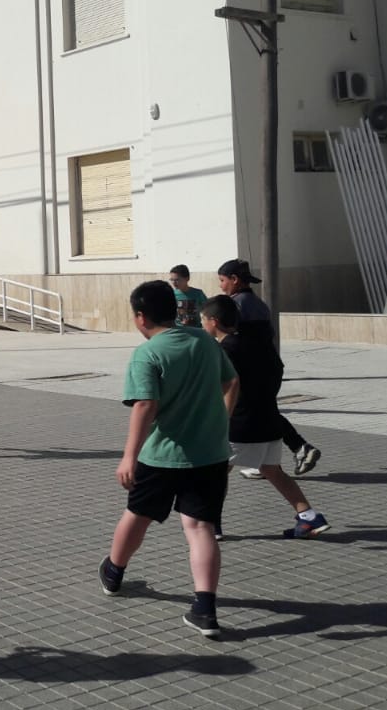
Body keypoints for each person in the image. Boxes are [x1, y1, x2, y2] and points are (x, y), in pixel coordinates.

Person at [99, 281, 238, 638]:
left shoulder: (147, 354)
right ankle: (205, 610)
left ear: (140, 316)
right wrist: (220, 422)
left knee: (138, 514)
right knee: (200, 528)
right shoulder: (204, 341)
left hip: (161, 455)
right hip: (209, 454)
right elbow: (231, 382)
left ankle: (113, 572)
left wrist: (128, 456)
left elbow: (145, 404)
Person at [200, 296, 331, 539]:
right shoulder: (257, 343)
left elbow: (220, 386)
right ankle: (308, 516)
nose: (202, 324)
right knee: (273, 470)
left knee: (214, 474)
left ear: (214, 321)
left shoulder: (224, 350)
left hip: (239, 424)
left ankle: (210, 525)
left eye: (203, 320)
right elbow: (277, 370)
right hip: (269, 420)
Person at [217, 259, 322, 476]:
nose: (221, 285)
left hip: (250, 370)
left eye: (222, 280)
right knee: (264, 411)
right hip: (270, 366)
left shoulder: (234, 306)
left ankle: (292, 452)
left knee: (259, 412)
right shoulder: (258, 303)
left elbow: (232, 339)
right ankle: (272, 461)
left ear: (234, 280)